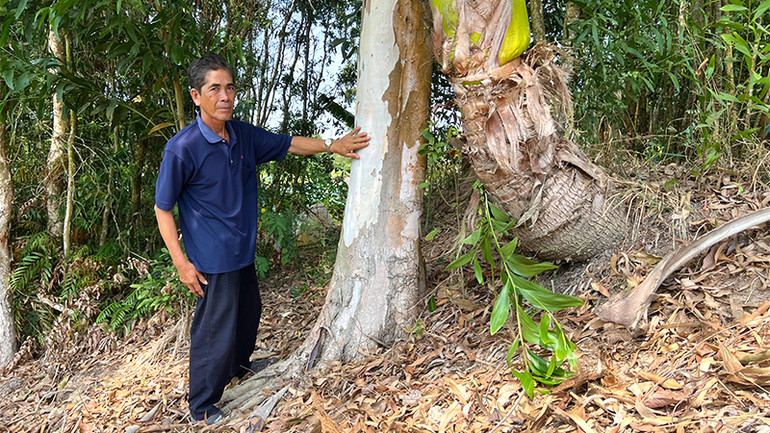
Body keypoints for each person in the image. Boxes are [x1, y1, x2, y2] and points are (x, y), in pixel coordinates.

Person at [154, 53, 370, 425]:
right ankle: (202, 405)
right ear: (196, 96)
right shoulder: (183, 148)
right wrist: (181, 263)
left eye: (230, 87)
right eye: (214, 89)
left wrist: (331, 145)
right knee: (213, 330)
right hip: (211, 258)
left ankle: (239, 368)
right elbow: (163, 208)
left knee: (248, 315)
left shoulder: (242, 135)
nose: (225, 96)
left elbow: (288, 144)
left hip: (242, 251)